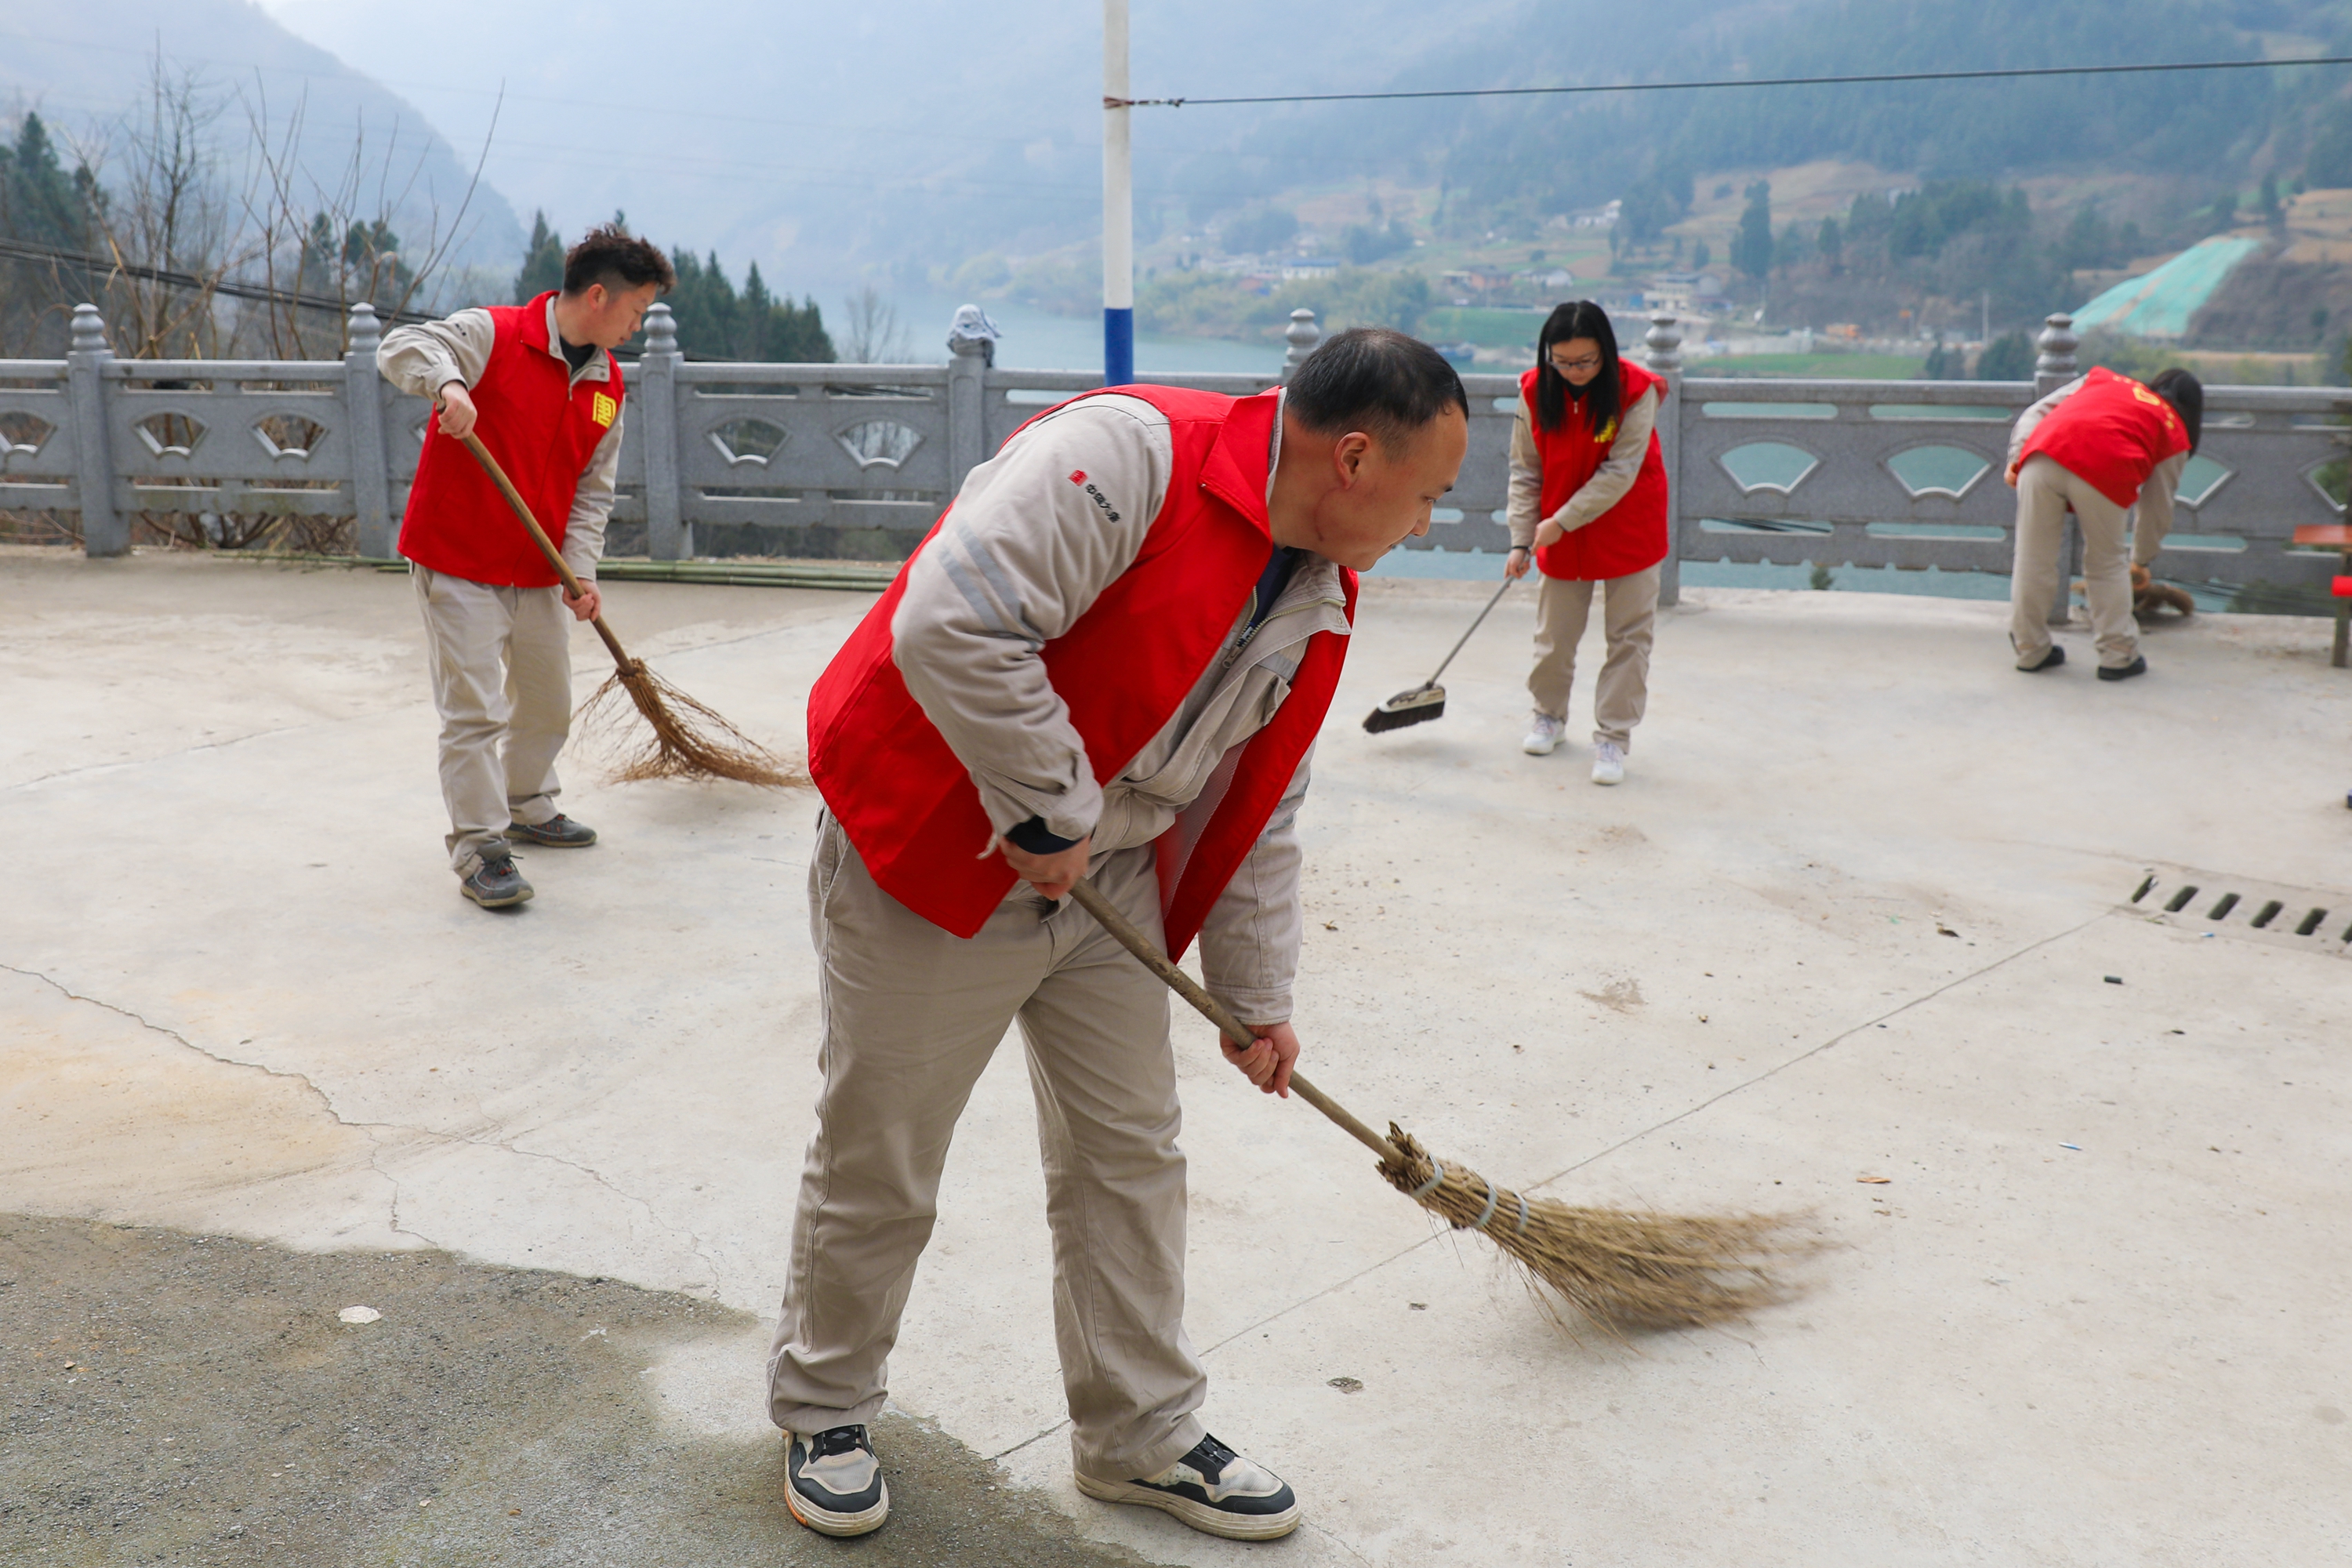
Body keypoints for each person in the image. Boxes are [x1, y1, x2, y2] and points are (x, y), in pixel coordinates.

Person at [768, 329, 1468, 1542]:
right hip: (946, 842)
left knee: (1130, 1155)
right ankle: (825, 1406)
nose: (1427, 522)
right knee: (886, 1144)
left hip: (1111, 874)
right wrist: (1045, 801)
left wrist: (1258, 998)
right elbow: (952, 618)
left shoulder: (1315, 587)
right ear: (1355, 457)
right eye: (1429, 493)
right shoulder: (1128, 456)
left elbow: (1258, 802)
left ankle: (1138, 1432)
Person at [378, 224, 673, 908]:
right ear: (599, 296)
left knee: (546, 702)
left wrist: (583, 570)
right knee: (474, 710)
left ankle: (527, 802)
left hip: (540, 567)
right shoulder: (495, 334)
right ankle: (480, 847)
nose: (637, 325)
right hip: (459, 558)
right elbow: (404, 346)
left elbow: (593, 488)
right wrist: (449, 384)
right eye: (636, 311)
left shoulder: (606, 384)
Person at [1502, 300, 1671, 785]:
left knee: (1628, 638)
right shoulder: (1534, 391)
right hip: (1557, 529)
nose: (1575, 372)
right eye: (1564, 362)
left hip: (1628, 526)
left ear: (1606, 352)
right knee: (1555, 635)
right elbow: (1524, 469)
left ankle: (1614, 738)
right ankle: (1548, 715)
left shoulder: (1637, 390)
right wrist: (1520, 539)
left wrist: (1560, 520)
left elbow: (1621, 471)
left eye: (1586, 362)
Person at [2004, 365, 2202, 681]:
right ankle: (2117, 654)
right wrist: (2141, 559)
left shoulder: (2102, 379)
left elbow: (2034, 412)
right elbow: (2157, 508)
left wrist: (2016, 458)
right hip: (2103, 467)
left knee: (2032, 557)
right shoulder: (2172, 427)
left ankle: (2030, 649)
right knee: (2106, 562)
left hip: (2042, 453)